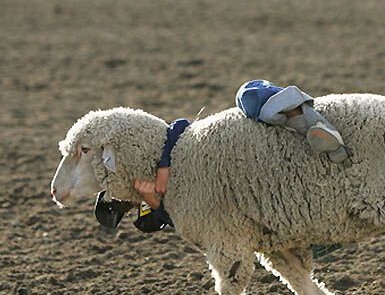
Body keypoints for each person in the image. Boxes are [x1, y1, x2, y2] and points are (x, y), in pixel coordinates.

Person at [133, 80, 349, 207]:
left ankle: (303, 120)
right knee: (251, 94)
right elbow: (169, 214)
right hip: (241, 178)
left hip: (219, 158)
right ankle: (304, 118)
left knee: (249, 94)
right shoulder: (174, 208)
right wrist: (152, 199)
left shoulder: (155, 163)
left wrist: (163, 165)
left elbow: (178, 127)